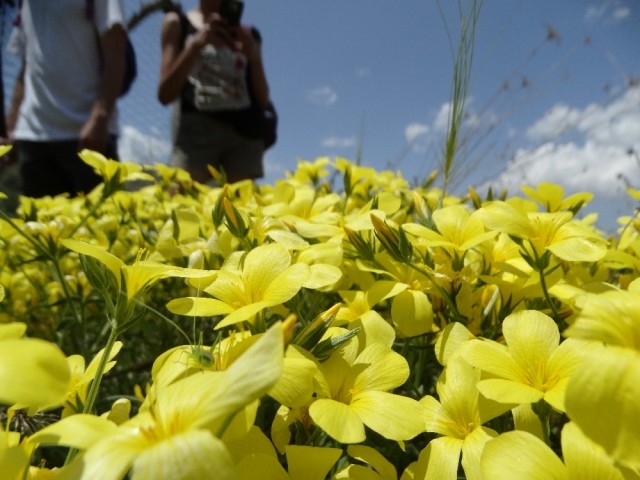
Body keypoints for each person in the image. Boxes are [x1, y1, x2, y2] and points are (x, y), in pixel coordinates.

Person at [5, 0, 127, 198]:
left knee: (100, 223)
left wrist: (100, 116)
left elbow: (115, 51)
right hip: (34, 135)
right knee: (40, 226)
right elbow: (26, 66)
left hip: (87, 135)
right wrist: (11, 128)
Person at [158, 0, 271, 184]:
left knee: (241, 209)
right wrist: (195, 45)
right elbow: (165, 94)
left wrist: (254, 57)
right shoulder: (177, 22)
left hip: (246, 134)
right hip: (196, 132)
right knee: (180, 205)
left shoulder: (249, 34)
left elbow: (263, 99)